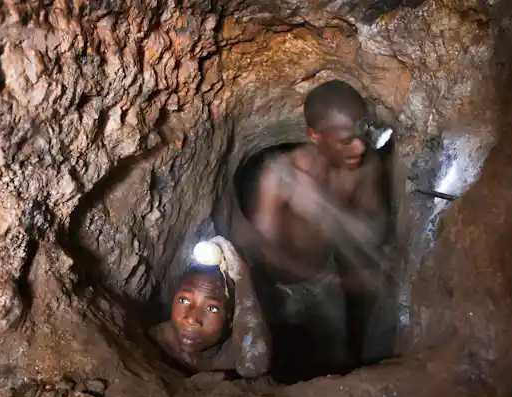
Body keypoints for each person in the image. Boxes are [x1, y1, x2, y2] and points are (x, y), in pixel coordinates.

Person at [245, 80, 388, 375]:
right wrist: (342, 283)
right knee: (276, 369)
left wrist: (322, 206)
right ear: (314, 135)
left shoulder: (365, 167)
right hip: (276, 287)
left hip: (325, 277)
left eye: (363, 132)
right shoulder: (278, 175)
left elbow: (374, 234)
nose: (360, 146)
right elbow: (265, 250)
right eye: (346, 139)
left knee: (339, 367)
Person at [150, 236, 270, 377]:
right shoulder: (154, 342)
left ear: (232, 319)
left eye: (212, 308)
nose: (191, 319)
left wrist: (241, 276)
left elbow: (253, 365)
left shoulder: (235, 353)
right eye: (184, 300)